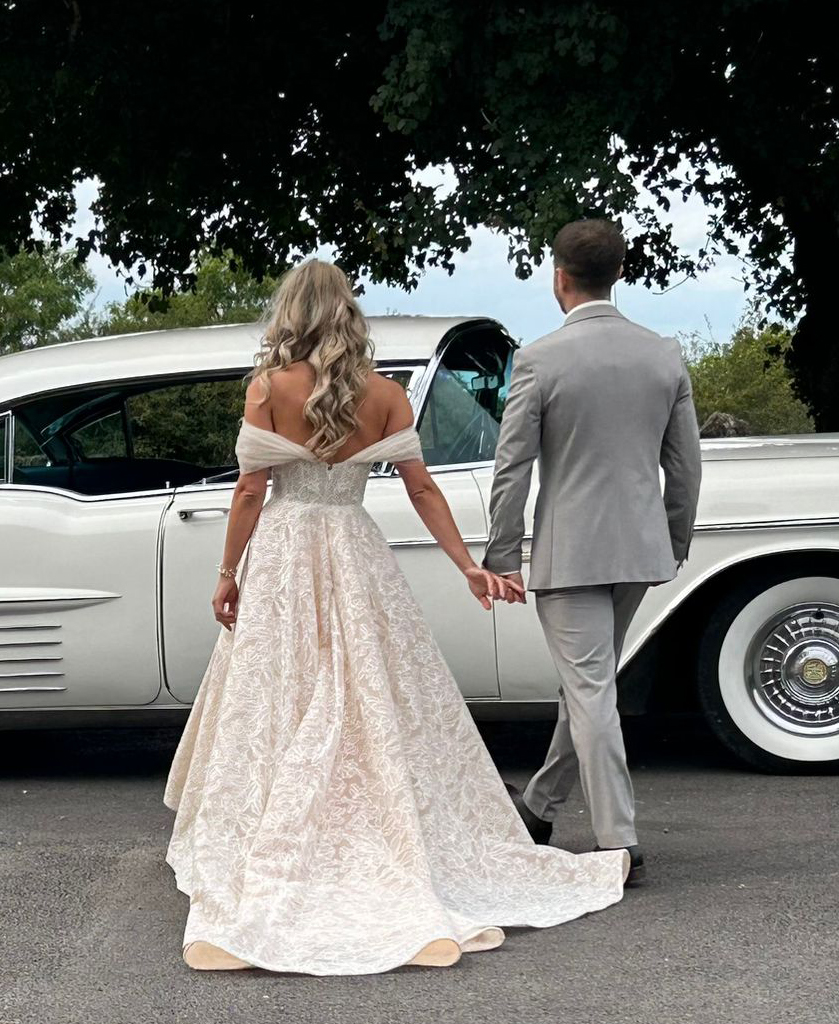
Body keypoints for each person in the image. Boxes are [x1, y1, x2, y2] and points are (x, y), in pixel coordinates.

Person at [164, 259, 631, 976]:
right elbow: (422, 490)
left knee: (279, 694)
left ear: (290, 315)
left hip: (286, 554)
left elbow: (251, 494)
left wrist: (227, 573)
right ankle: (381, 837)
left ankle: (278, 838)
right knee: (366, 693)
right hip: (353, 547)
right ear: (349, 315)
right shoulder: (384, 397)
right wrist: (466, 564)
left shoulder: (267, 389)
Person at [487, 218, 703, 882]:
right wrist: (672, 538)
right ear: (618, 274)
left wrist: (502, 553)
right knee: (591, 685)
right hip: (637, 549)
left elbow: (512, 466)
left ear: (559, 277)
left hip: (571, 552)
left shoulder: (539, 359)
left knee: (589, 690)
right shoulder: (663, 354)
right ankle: (541, 805)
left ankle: (619, 840)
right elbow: (686, 466)